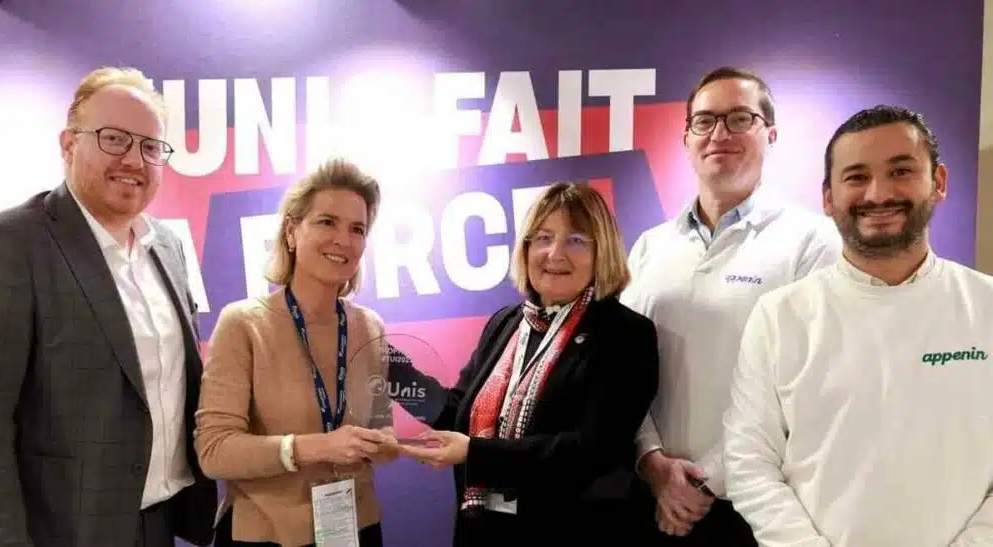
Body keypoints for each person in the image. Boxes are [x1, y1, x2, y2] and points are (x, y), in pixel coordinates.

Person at [0, 66, 218, 547]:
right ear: (69, 144)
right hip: (63, 531)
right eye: (115, 139)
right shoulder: (7, 245)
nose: (134, 159)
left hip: (161, 522)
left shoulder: (168, 246)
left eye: (150, 147)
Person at [723, 105, 993, 546]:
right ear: (828, 198)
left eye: (900, 171)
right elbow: (749, 463)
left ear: (938, 182)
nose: (878, 194)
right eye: (856, 177)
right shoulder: (780, 316)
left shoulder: (987, 306)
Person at [618, 66, 842, 545]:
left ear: (770, 134)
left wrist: (704, 482)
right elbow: (620, 372)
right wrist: (651, 462)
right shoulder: (649, 247)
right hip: (649, 499)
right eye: (705, 121)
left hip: (756, 509)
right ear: (687, 138)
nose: (719, 134)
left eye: (740, 118)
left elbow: (807, 383)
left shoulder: (813, 242)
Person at [399, 181, 660, 547]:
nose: (555, 253)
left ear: (602, 252)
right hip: (487, 532)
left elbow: (592, 449)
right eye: (543, 238)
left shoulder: (625, 334)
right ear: (525, 249)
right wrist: (392, 374)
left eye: (576, 240)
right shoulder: (506, 323)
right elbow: (458, 414)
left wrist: (476, 453)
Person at [194, 158, 399, 547]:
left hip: (357, 530)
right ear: (291, 231)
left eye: (357, 229)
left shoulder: (369, 326)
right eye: (327, 222)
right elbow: (215, 450)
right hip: (266, 535)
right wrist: (314, 447)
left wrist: (386, 445)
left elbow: (380, 425)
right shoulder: (243, 323)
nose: (343, 240)